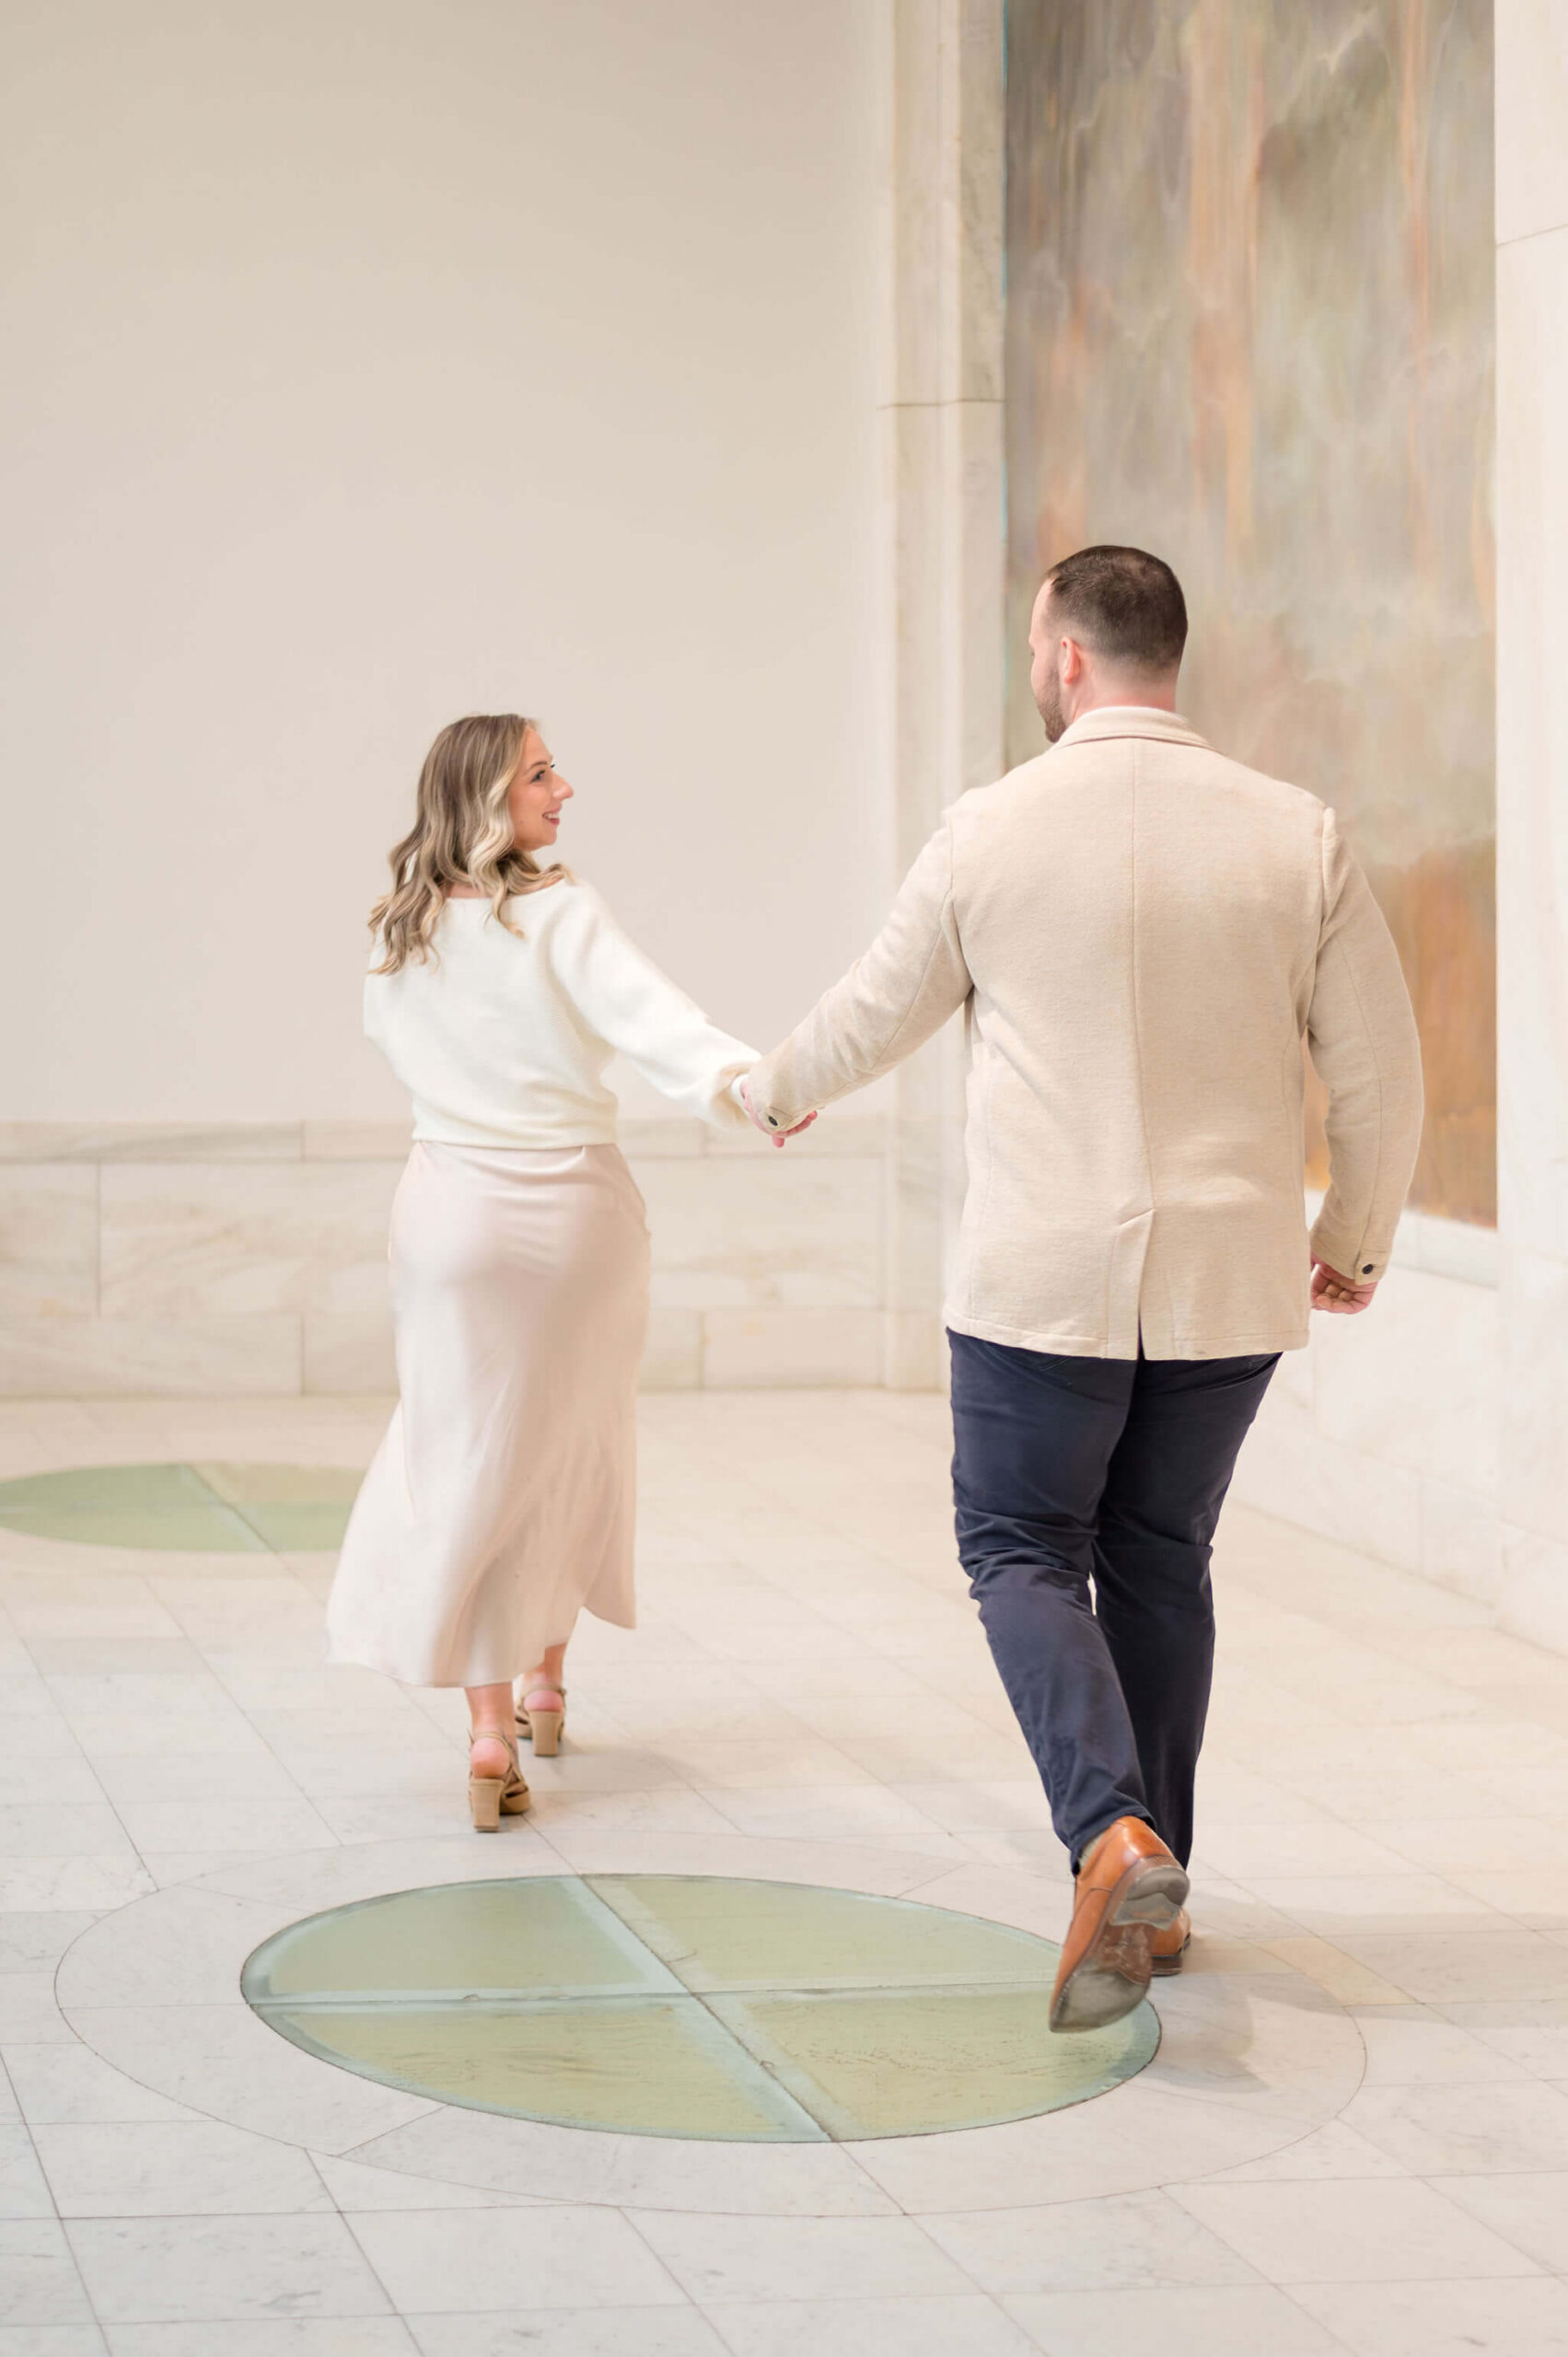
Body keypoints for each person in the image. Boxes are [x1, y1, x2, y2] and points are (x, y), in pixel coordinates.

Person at [740, 546, 1423, 2030]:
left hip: (1038, 1280)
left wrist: (771, 1087)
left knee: (1018, 1552)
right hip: (1224, 1281)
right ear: (1166, 655)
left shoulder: (990, 829)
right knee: (1159, 1561)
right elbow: (1380, 1069)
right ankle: (1158, 1895)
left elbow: (875, 1009)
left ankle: (1107, 1836)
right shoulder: (1290, 832)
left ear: (1060, 658)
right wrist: (1353, 1236)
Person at [327, 714, 796, 1829]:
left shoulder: (399, 934)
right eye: (541, 774)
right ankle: (546, 1679)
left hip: (449, 1214)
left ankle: (490, 1730)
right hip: (575, 1217)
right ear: (489, 794)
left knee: (466, 1453)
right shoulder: (559, 913)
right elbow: (656, 1023)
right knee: (573, 1442)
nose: (564, 789)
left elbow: (395, 1045)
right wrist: (750, 1088)